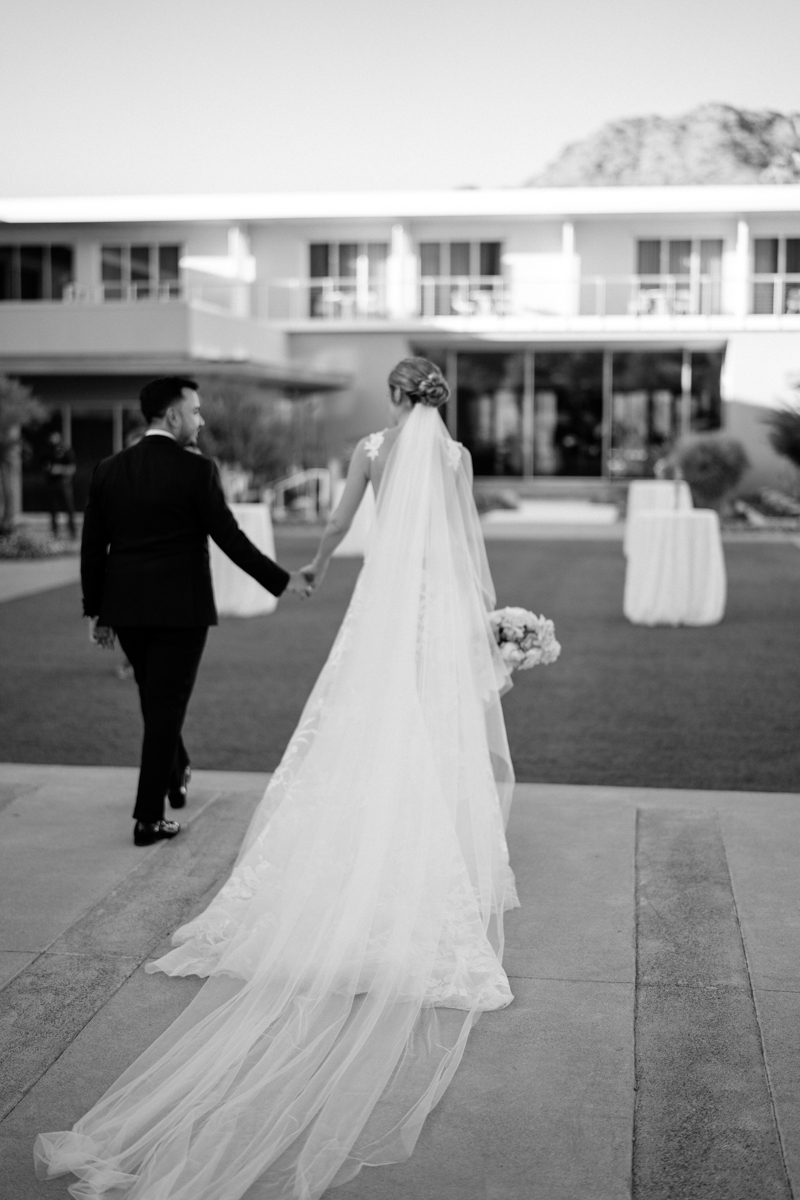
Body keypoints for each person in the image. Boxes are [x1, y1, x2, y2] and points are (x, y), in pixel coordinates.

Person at [35, 358, 519, 1199]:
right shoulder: (457, 457)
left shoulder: (372, 448)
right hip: (436, 603)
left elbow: (336, 530)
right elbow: (465, 538)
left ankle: (338, 823)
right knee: (434, 724)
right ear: (437, 402)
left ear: (398, 396)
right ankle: (426, 832)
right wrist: (486, 615)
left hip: (384, 603)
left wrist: (318, 569)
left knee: (364, 718)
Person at [78, 376, 309, 847]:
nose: (201, 421)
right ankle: (148, 819)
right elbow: (230, 539)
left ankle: (177, 766)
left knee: (156, 702)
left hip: (127, 612)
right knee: (163, 707)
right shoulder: (197, 471)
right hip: (181, 613)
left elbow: (92, 549)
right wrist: (282, 581)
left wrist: (97, 612)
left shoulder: (108, 469)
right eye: (197, 411)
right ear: (173, 416)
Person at [42, 430, 77, 539]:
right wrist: (59, 469)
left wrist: (57, 469)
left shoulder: (66, 451)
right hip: (51, 484)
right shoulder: (47, 452)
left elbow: (72, 468)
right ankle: (55, 532)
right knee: (53, 509)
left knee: (69, 508)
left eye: (55, 437)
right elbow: (45, 468)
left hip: (64, 484)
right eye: (52, 437)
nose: (53, 440)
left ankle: (72, 532)